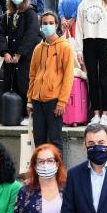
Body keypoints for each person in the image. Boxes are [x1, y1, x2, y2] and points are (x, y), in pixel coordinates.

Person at [28, 12, 74, 151]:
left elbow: (68, 76)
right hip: (37, 101)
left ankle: (58, 173)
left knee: (55, 140)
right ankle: (40, 172)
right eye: (45, 23)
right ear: (41, 26)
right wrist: (30, 99)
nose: (47, 26)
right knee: (39, 140)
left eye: (51, 23)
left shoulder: (64, 47)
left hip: (54, 100)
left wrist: (62, 101)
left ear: (56, 25)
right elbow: (33, 75)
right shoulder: (38, 48)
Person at [0, 0, 41, 125]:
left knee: (25, 85)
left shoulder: (30, 13)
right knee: (11, 84)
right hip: (10, 58)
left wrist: (19, 53)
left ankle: (28, 115)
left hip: (26, 57)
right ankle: (14, 115)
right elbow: (1, 35)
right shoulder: (7, 15)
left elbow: (31, 34)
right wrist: (5, 52)